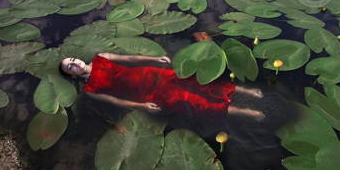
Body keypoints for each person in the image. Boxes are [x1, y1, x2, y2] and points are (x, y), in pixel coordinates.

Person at [59, 53, 265, 121]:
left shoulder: (101, 56)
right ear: (71, 75)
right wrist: (142, 106)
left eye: (74, 60)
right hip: (147, 93)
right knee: (194, 102)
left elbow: (129, 58)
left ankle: (246, 91)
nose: (75, 63)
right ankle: (246, 112)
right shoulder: (91, 89)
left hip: (151, 74)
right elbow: (115, 100)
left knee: (198, 83)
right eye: (70, 66)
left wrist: (154, 58)